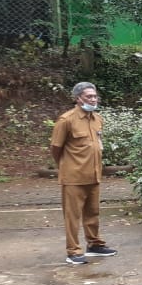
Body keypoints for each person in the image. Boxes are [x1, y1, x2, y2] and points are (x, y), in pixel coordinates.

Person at [50, 82, 118, 264]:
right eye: (89, 96)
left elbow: (98, 143)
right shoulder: (66, 120)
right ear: (78, 98)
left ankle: (95, 245)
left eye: (95, 96)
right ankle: (73, 251)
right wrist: (66, 165)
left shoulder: (97, 118)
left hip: (94, 174)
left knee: (93, 212)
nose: (93, 99)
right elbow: (56, 148)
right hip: (73, 176)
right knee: (72, 216)